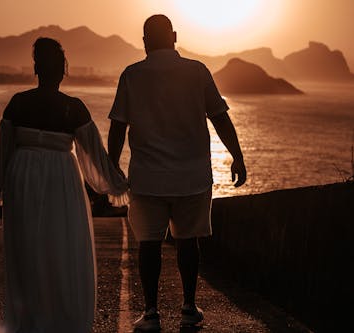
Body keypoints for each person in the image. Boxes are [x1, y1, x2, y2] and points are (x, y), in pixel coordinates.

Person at [107, 15, 247, 331]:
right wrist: (237, 157)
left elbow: (118, 125)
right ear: (174, 36)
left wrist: (111, 166)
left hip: (147, 177)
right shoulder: (197, 72)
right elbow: (220, 118)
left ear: (144, 41)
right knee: (188, 242)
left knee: (149, 244)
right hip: (192, 176)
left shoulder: (132, 75)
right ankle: (187, 306)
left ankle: (152, 312)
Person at [0, 37, 128, 333]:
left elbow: (3, 150)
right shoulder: (74, 108)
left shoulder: (17, 103)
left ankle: (28, 316)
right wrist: (118, 184)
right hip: (61, 178)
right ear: (62, 71)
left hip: (22, 176)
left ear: (36, 68)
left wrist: (5, 184)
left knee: (27, 248)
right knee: (61, 245)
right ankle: (61, 316)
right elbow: (95, 156)